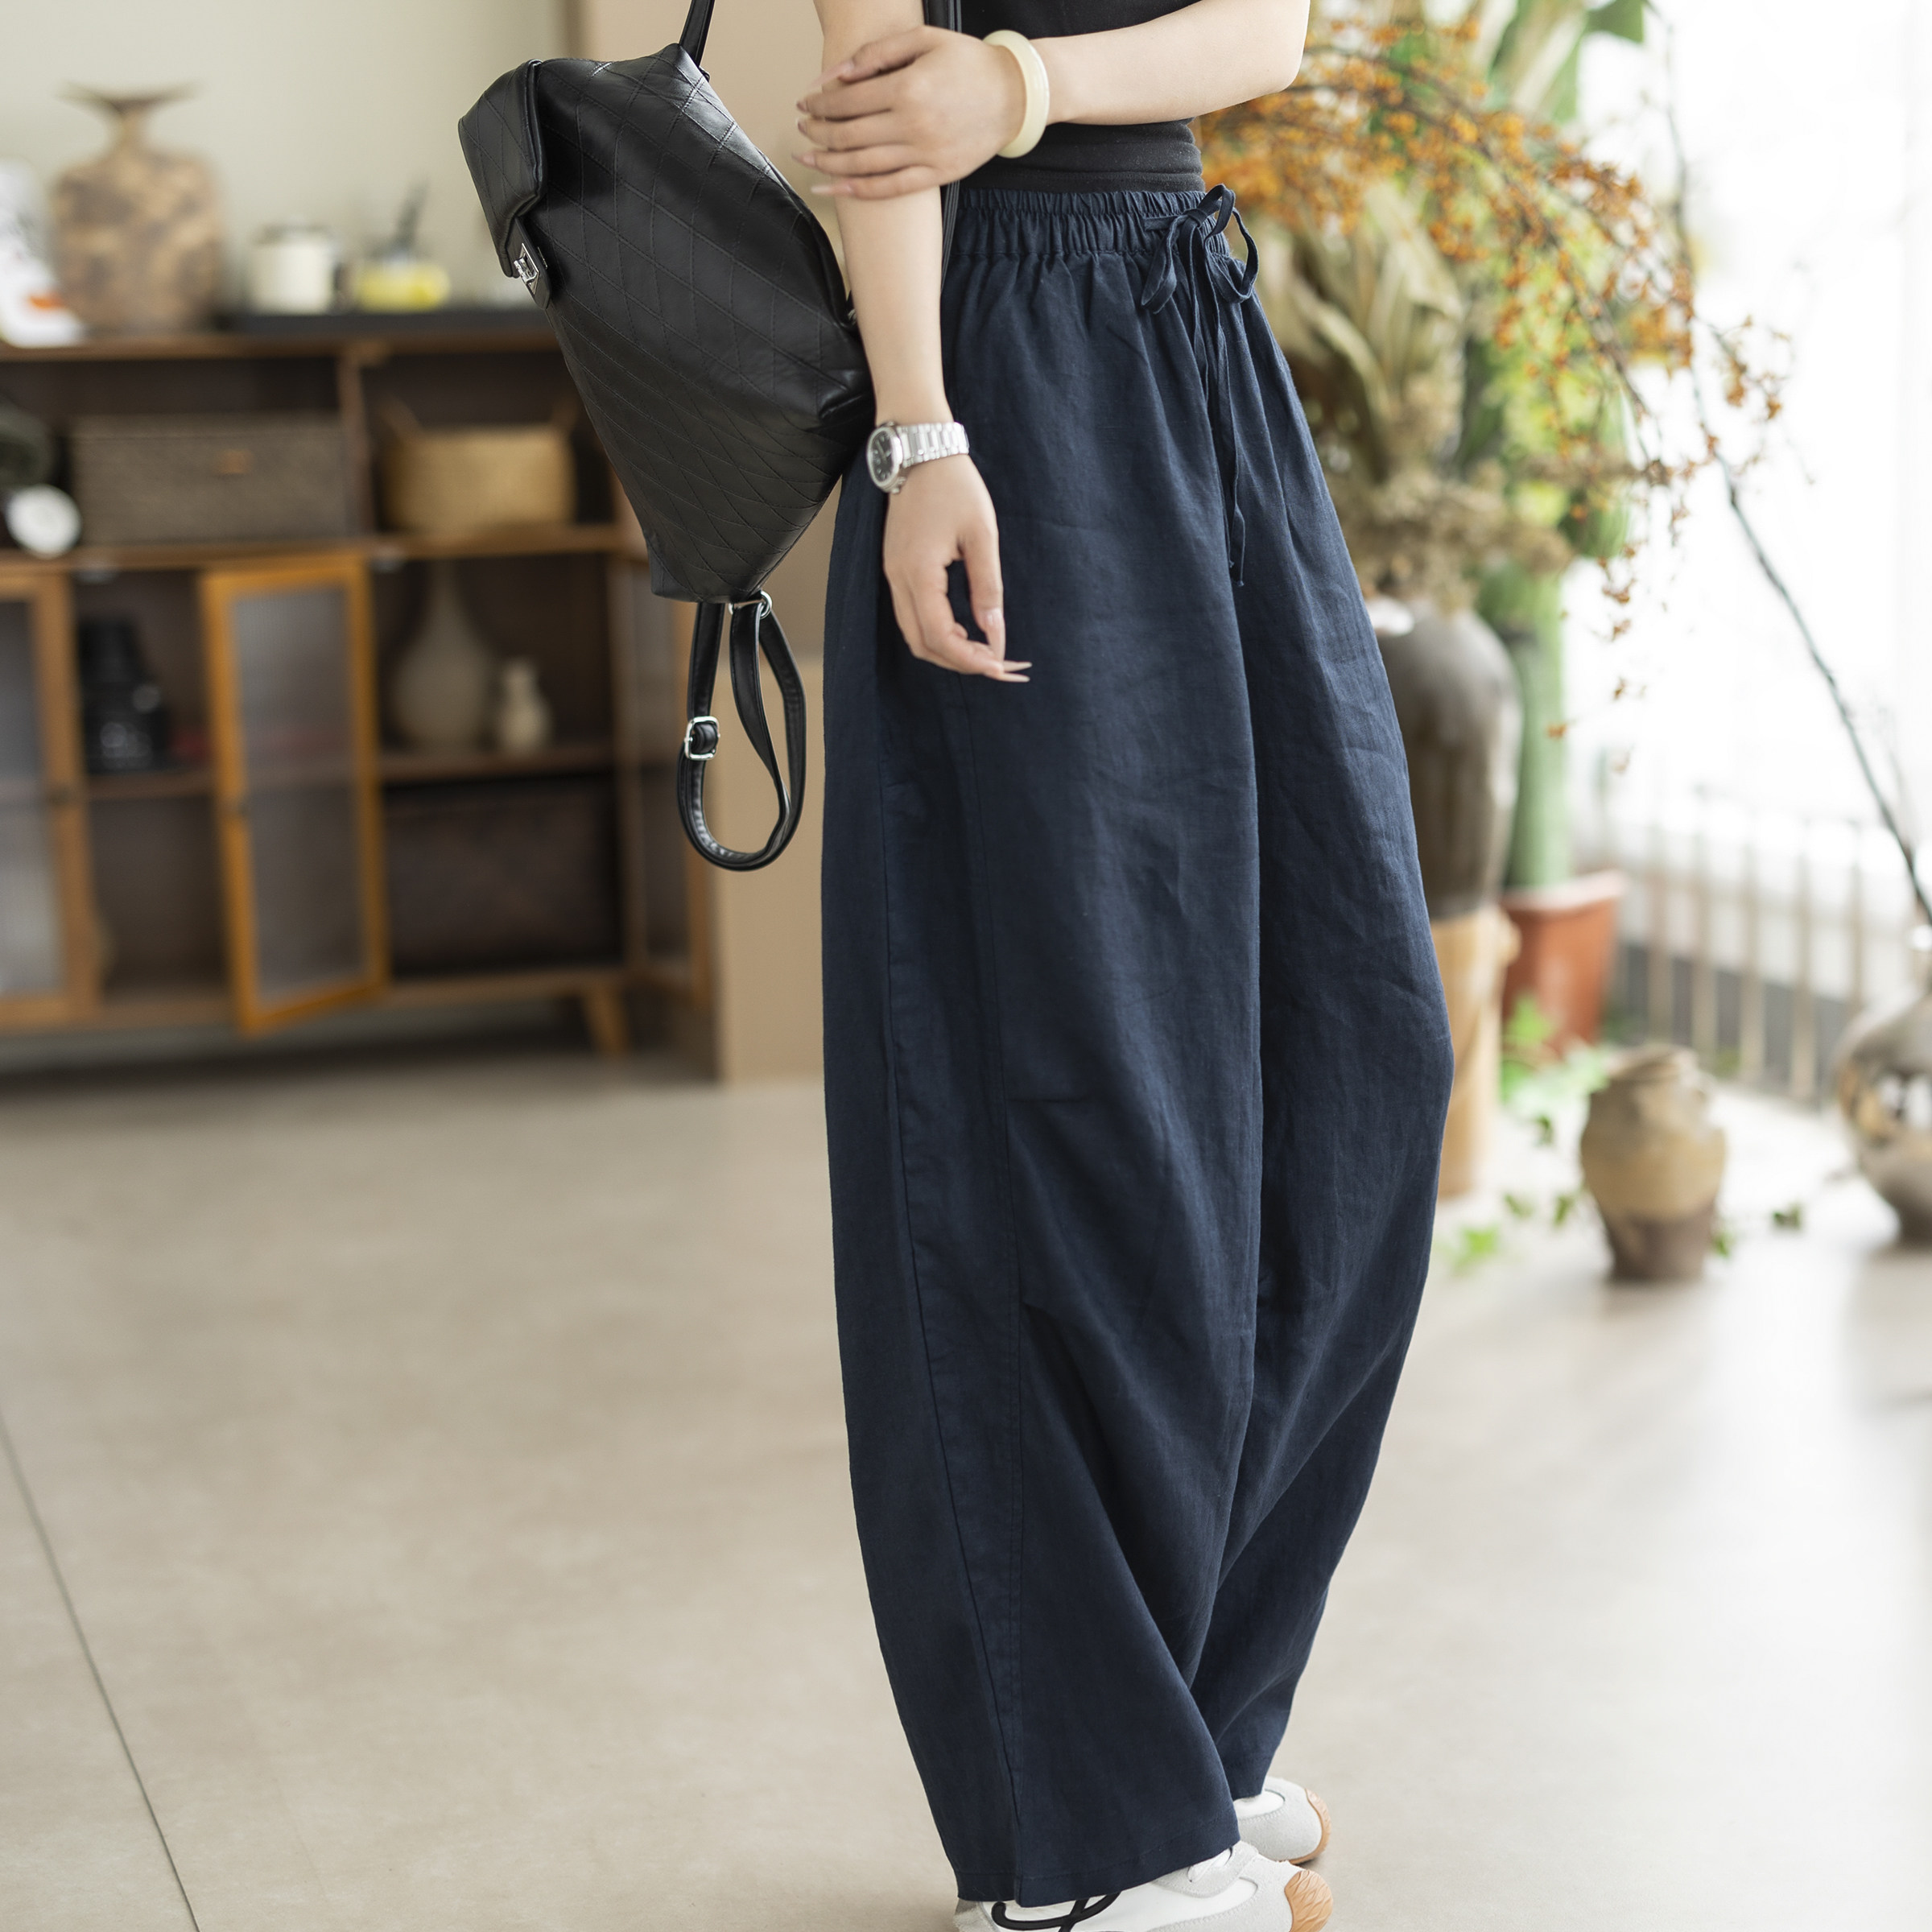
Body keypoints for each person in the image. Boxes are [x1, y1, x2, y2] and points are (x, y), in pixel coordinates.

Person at [799, 0, 1455, 1925]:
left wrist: (1026, 82)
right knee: (1062, 1098)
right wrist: (921, 435)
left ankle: (1184, 1740)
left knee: (1354, 1048)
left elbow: (1270, 27)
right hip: (992, 370)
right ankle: (1073, 1838)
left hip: (1189, 325)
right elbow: (873, 112)